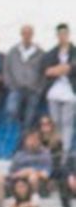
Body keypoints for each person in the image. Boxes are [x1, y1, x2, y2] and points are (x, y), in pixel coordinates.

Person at [43, 23, 76, 154]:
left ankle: (66, 151)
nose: (63, 36)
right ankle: (56, 149)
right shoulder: (51, 53)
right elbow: (47, 71)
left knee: (67, 122)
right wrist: (64, 68)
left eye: (65, 33)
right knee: (55, 123)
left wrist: (61, 69)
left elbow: (71, 68)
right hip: (54, 92)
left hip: (70, 92)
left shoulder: (74, 51)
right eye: (60, 34)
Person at [4, 25, 44, 134]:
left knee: (30, 116)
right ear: (21, 34)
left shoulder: (40, 52)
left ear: (32, 35)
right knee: (11, 110)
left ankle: (24, 139)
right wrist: (10, 85)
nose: (27, 36)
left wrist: (39, 87)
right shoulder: (13, 51)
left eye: (29, 33)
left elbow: (44, 71)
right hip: (16, 88)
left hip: (33, 89)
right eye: (24, 33)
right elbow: (6, 69)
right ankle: (16, 130)